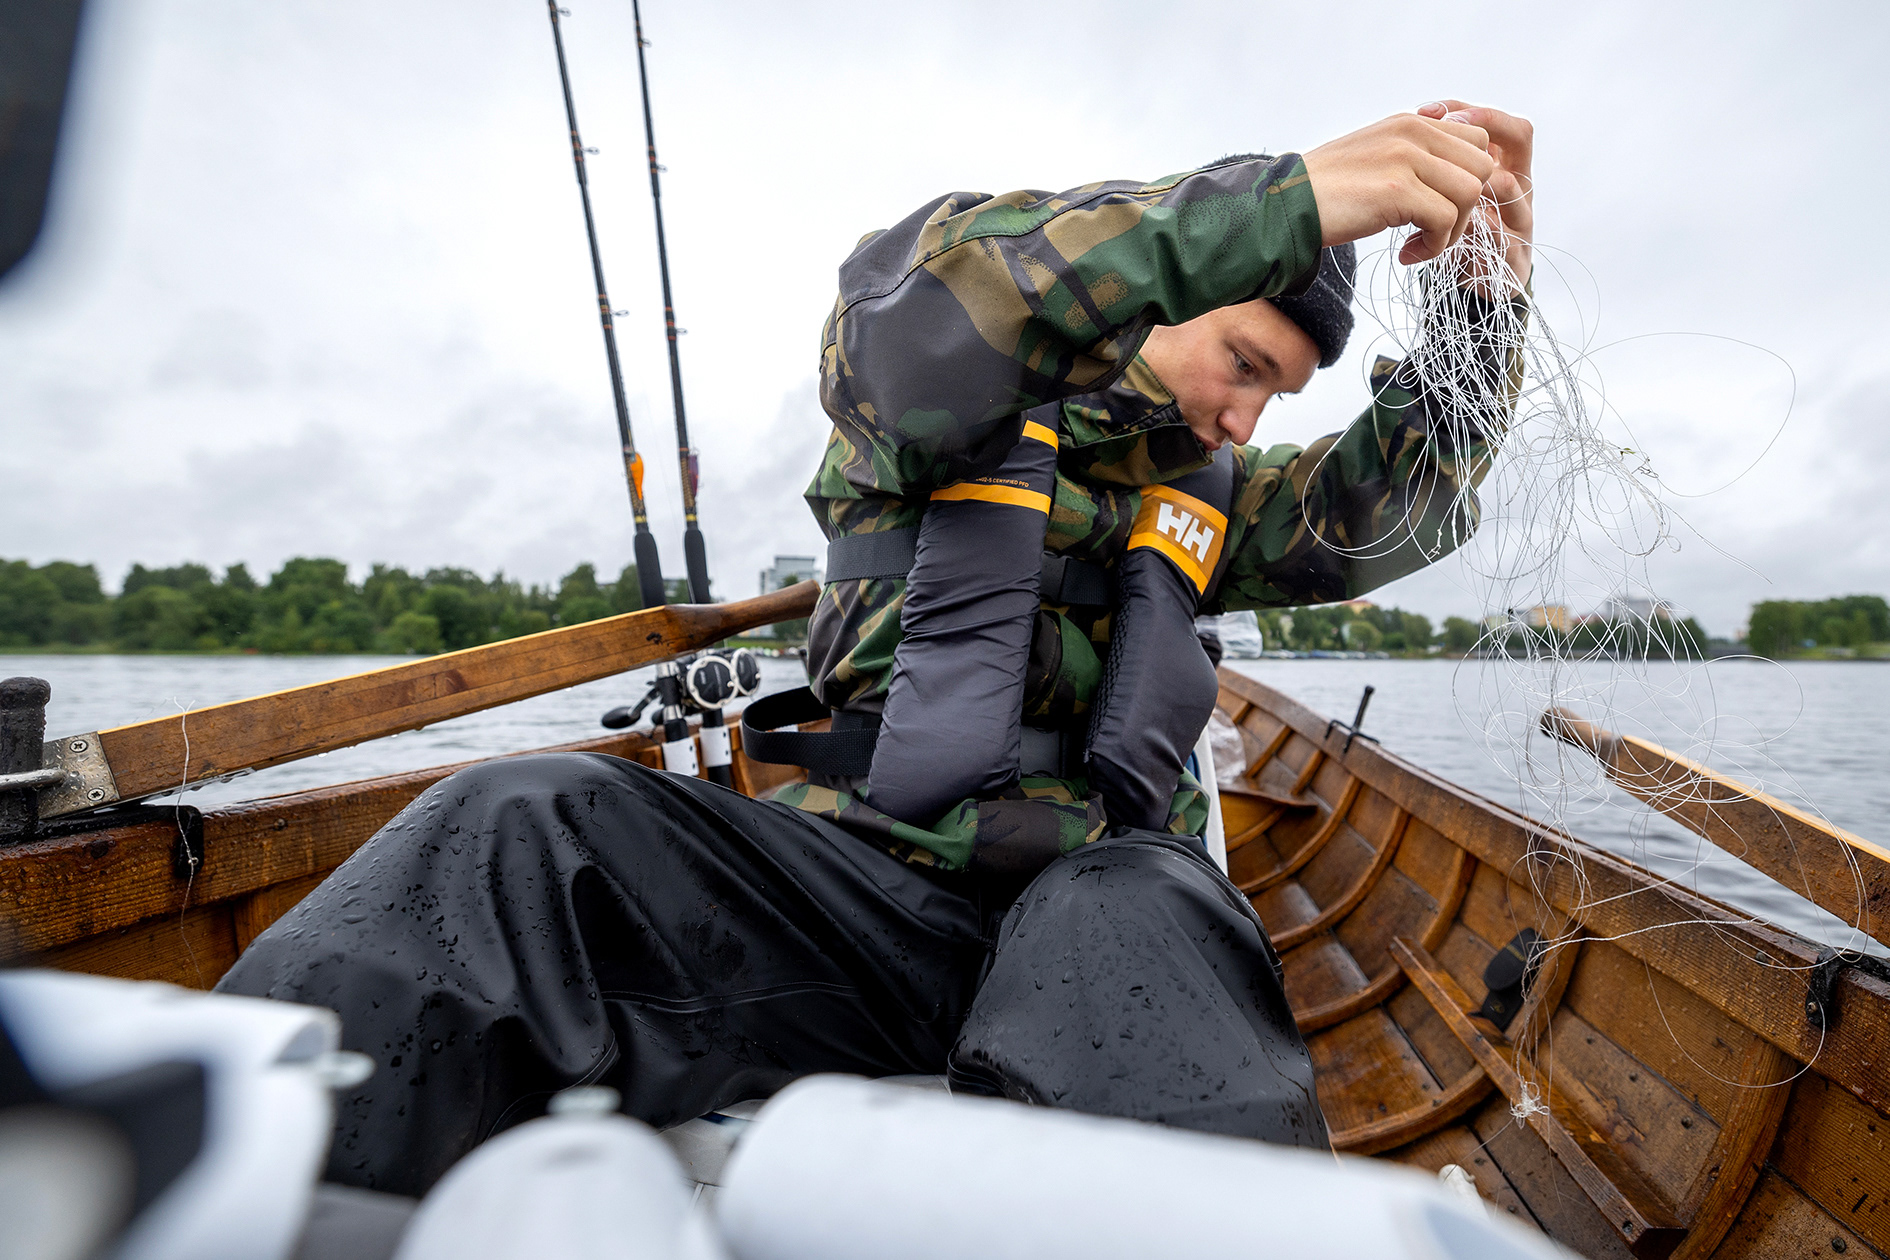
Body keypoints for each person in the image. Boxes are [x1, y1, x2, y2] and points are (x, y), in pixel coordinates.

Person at [218, 101, 1535, 1197]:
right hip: (852, 897)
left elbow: (1387, 509)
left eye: (1275, 398)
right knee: (507, 823)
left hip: (1099, 914)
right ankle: (257, 1191)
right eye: (1243, 360)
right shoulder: (924, 406)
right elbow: (922, 307)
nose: (1245, 413)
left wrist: (1481, 314)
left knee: (1140, 904)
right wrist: (1283, 202)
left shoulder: (1221, 498)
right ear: (1176, 291)